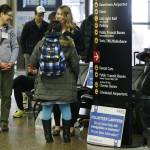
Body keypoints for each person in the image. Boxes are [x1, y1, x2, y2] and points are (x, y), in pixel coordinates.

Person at [29, 20, 79, 143]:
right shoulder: (68, 43)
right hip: (65, 82)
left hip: (45, 83)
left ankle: (48, 137)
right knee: (65, 107)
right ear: (61, 29)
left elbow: (32, 62)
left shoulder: (41, 43)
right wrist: (74, 77)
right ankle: (66, 136)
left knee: (46, 109)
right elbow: (75, 65)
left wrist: (37, 70)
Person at [51, 5, 84, 137]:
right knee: (55, 98)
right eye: (57, 14)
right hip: (55, 69)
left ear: (66, 15)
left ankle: (70, 125)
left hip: (70, 70)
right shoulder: (54, 28)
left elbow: (82, 49)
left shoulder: (75, 30)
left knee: (71, 98)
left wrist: (74, 56)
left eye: (60, 14)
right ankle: (58, 125)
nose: (58, 16)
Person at [0, 4, 19, 131]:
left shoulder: (10, 30)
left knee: (7, 95)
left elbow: (15, 46)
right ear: (1, 13)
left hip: (8, 68)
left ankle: (4, 121)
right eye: (9, 16)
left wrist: (11, 62)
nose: (10, 18)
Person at [20, 5, 48, 74]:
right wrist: (24, 52)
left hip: (42, 54)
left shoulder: (46, 25)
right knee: (30, 74)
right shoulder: (28, 25)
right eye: (39, 15)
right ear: (35, 14)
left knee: (41, 73)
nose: (41, 17)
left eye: (42, 15)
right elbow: (22, 39)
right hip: (30, 53)